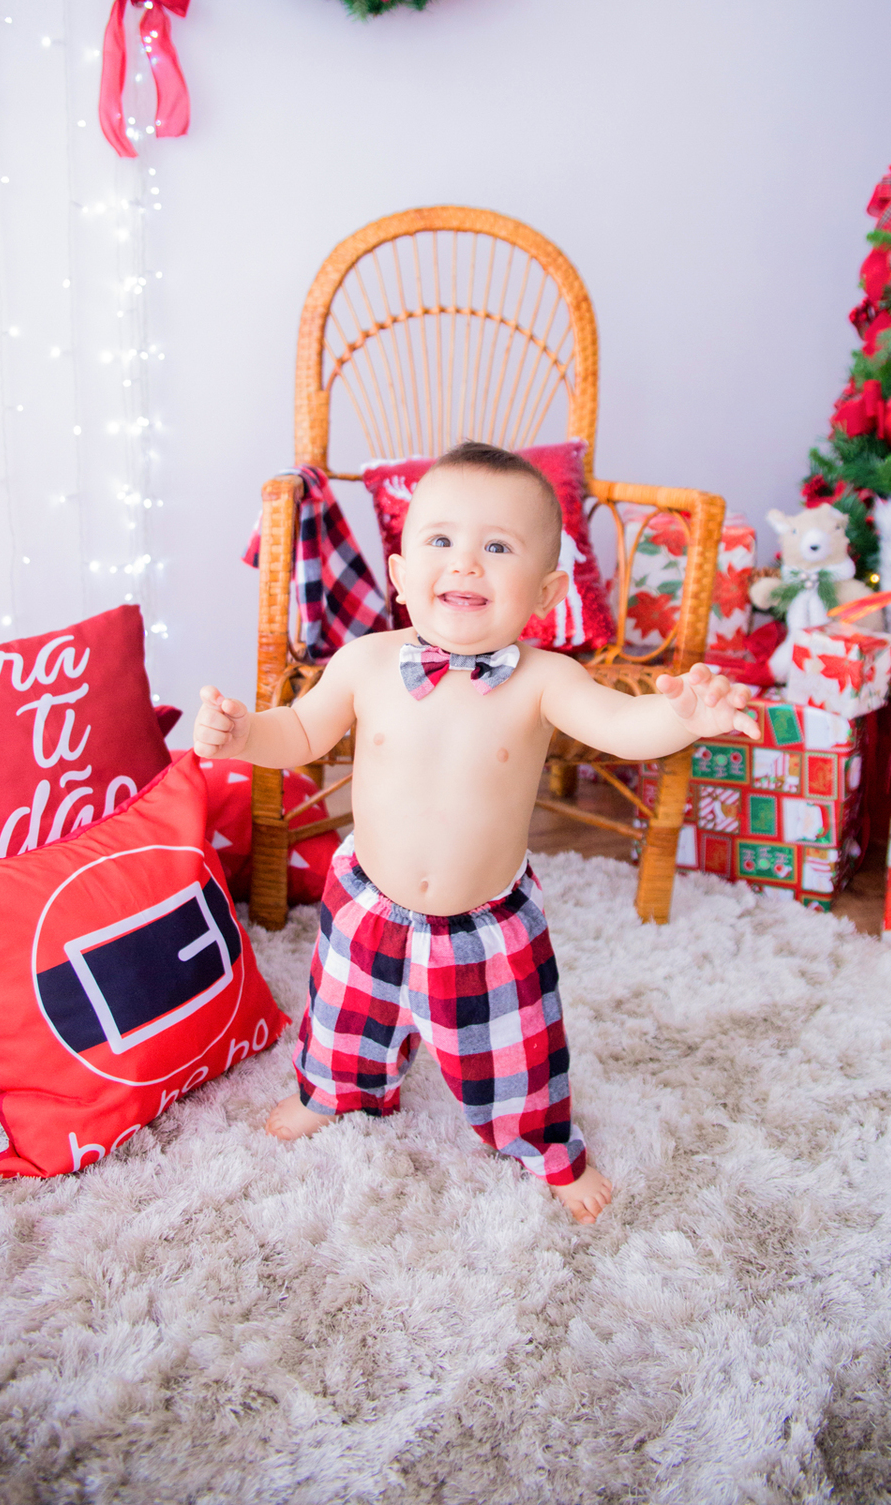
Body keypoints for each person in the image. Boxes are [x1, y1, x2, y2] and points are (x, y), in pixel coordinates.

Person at [194, 442, 758, 1223]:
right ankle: (335, 1092)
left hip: (485, 923)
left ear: (547, 590)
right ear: (398, 573)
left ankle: (542, 1147)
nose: (465, 564)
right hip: (370, 900)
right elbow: (299, 730)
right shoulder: (365, 662)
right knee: (346, 1015)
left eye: (497, 547)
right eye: (441, 541)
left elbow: (624, 724)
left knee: (515, 1052)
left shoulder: (545, 678)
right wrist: (244, 733)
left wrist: (680, 715)